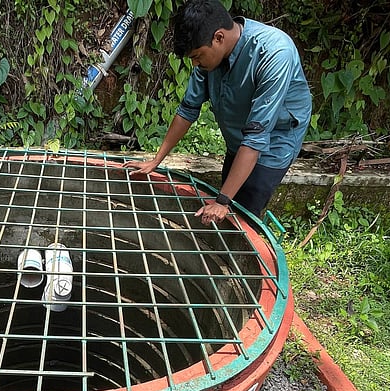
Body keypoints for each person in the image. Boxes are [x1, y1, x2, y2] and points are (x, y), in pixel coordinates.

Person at [124, 0, 312, 224]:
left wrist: (222, 201)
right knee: (226, 196)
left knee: (244, 208)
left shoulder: (274, 53)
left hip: (275, 138)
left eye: (197, 56)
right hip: (239, 134)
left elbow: (256, 137)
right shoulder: (208, 58)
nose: (194, 64)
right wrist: (156, 160)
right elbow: (188, 110)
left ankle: (242, 251)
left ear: (219, 37)